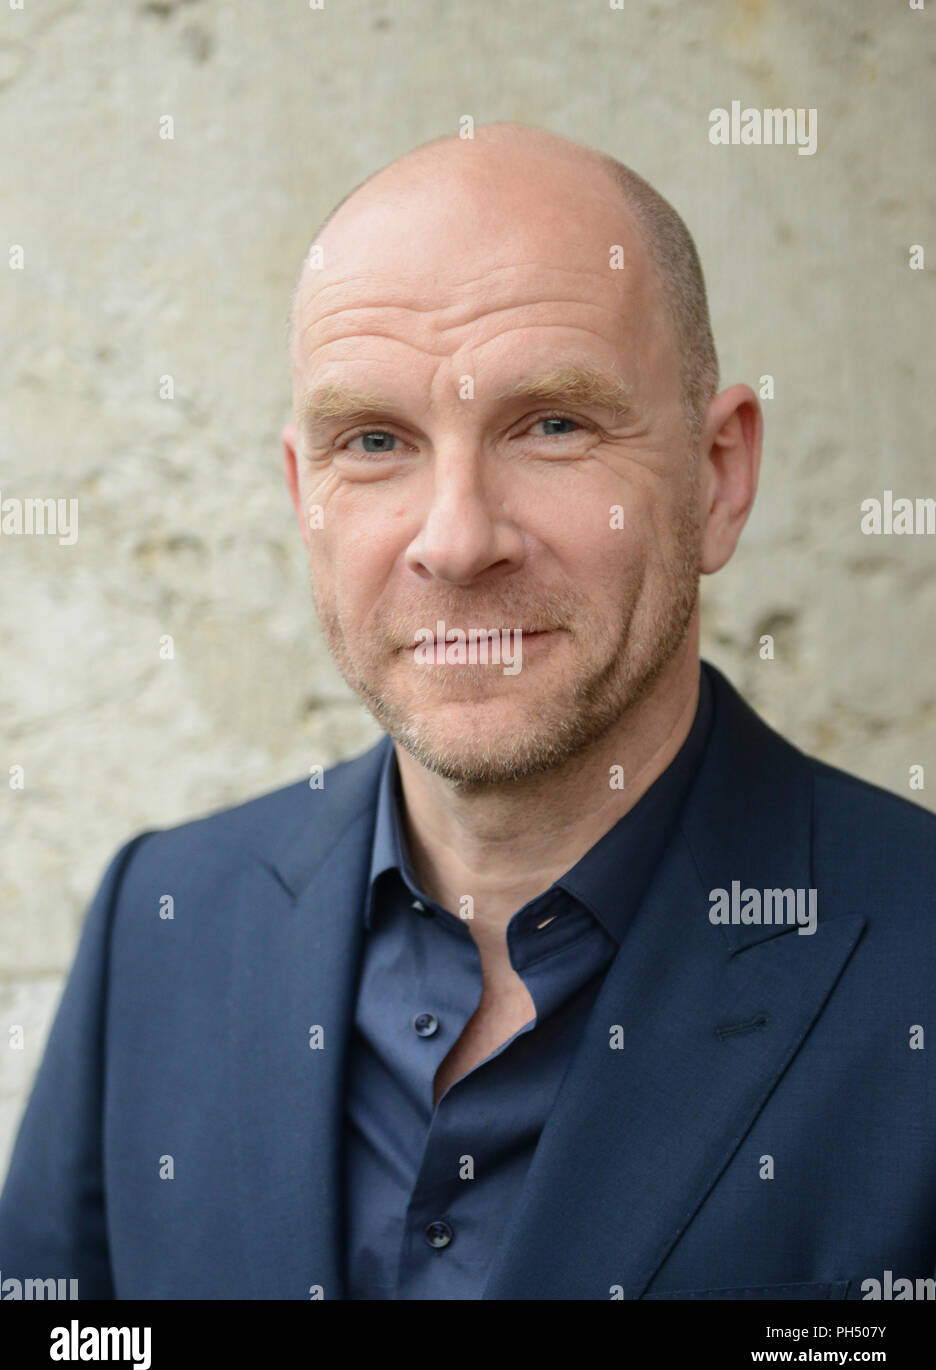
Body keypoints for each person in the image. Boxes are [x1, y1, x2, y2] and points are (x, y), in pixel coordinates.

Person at [1, 123, 934, 1301]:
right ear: (306, 499)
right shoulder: (165, 923)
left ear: (718, 475)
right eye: (376, 441)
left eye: (552, 423)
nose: (456, 539)